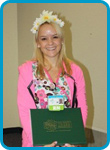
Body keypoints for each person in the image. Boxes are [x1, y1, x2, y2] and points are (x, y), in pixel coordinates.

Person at [17, 10, 88, 147]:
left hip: (67, 142)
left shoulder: (75, 71)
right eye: (44, 38)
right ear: (38, 43)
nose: (50, 42)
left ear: (61, 40)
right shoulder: (27, 71)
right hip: (37, 142)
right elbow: (25, 110)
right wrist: (37, 142)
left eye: (55, 37)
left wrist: (75, 138)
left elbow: (81, 107)